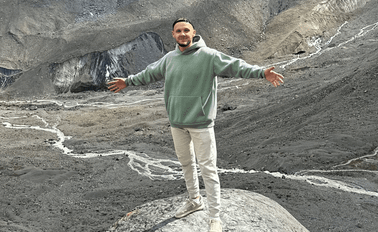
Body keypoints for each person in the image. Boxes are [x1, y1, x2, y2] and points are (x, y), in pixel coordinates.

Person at [108, 18, 284, 232]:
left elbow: (235, 66)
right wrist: (128, 81)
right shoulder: (169, 59)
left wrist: (262, 72)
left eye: (186, 30)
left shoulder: (209, 56)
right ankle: (194, 200)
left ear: (193, 33)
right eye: (178, 31)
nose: (182, 34)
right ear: (173, 35)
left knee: (208, 169)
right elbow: (149, 73)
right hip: (177, 123)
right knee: (186, 165)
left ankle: (215, 218)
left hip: (201, 124)